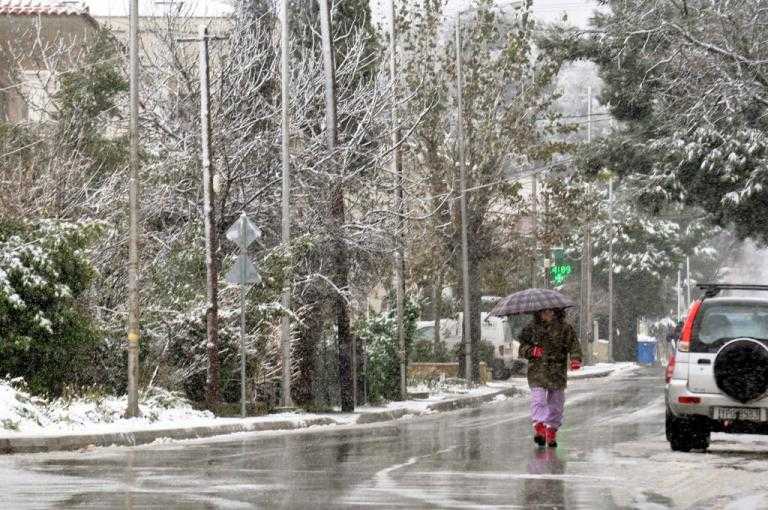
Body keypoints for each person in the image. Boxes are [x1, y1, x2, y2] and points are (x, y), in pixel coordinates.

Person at [518, 308, 582, 448]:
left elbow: (574, 345)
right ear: (538, 313)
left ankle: (551, 430)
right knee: (538, 400)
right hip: (537, 371)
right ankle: (540, 429)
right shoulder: (531, 329)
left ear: (556, 312)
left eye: (550, 312)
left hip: (557, 371)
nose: (547, 314)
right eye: (543, 312)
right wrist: (531, 351)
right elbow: (522, 348)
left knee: (556, 404)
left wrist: (575, 359)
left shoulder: (565, 328)